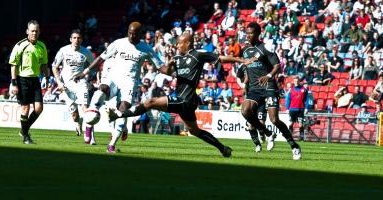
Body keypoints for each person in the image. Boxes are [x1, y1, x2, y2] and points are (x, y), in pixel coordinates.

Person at [109, 32, 253, 157]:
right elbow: (166, 71)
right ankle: (223, 148)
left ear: (188, 43)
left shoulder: (198, 55)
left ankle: (119, 115)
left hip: (186, 100)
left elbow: (220, 58)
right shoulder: (178, 58)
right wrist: (170, 63)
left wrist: (241, 60)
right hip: (184, 102)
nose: (177, 46)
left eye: (180, 43)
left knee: (150, 103)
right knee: (195, 131)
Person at [73, 22, 166, 153]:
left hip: (129, 85)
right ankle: (89, 123)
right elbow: (100, 58)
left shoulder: (146, 49)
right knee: (103, 88)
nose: (131, 36)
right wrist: (84, 72)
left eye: (134, 34)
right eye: (129, 33)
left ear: (140, 34)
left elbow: (161, 67)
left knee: (122, 111)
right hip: (113, 79)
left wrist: (175, 73)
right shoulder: (118, 43)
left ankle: (111, 145)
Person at [239, 22, 302, 160]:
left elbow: (277, 66)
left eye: (251, 33)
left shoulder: (265, 47)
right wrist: (246, 82)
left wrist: (268, 76)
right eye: (247, 33)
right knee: (245, 111)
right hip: (255, 88)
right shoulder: (244, 50)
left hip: (269, 86)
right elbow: (248, 69)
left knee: (274, 119)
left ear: (258, 34)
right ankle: (267, 133)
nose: (248, 35)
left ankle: (294, 146)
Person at [8, 20, 49, 144]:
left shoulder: (42, 46)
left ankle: (23, 129)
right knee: (25, 108)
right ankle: (26, 136)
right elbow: (13, 64)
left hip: (35, 79)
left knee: (39, 109)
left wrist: (46, 77)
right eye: (32, 31)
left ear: (39, 32)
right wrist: (14, 82)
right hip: (22, 79)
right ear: (27, 32)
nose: (34, 33)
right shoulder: (20, 45)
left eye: (36, 31)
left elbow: (44, 63)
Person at [52, 29, 96, 143]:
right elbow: (54, 67)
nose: (77, 40)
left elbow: (95, 65)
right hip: (66, 85)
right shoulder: (63, 50)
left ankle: (90, 136)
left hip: (81, 83)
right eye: (74, 38)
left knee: (85, 108)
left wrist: (88, 75)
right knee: (75, 115)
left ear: (82, 39)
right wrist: (59, 82)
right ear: (71, 39)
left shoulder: (86, 52)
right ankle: (78, 123)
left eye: (79, 38)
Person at [285, 77, 309, 141]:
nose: (296, 82)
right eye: (295, 81)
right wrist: (287, 108)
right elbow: (288, 99)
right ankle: (289, 137)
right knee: (291, 123)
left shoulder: (304, 89)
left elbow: (306, 99)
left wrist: (306, 108)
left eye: (297, 81)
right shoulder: (291, 90)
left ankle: (301, 137)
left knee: (300, 124)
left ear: (299, 81)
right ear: (293, 81)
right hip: (292, 109)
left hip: (301, 109)